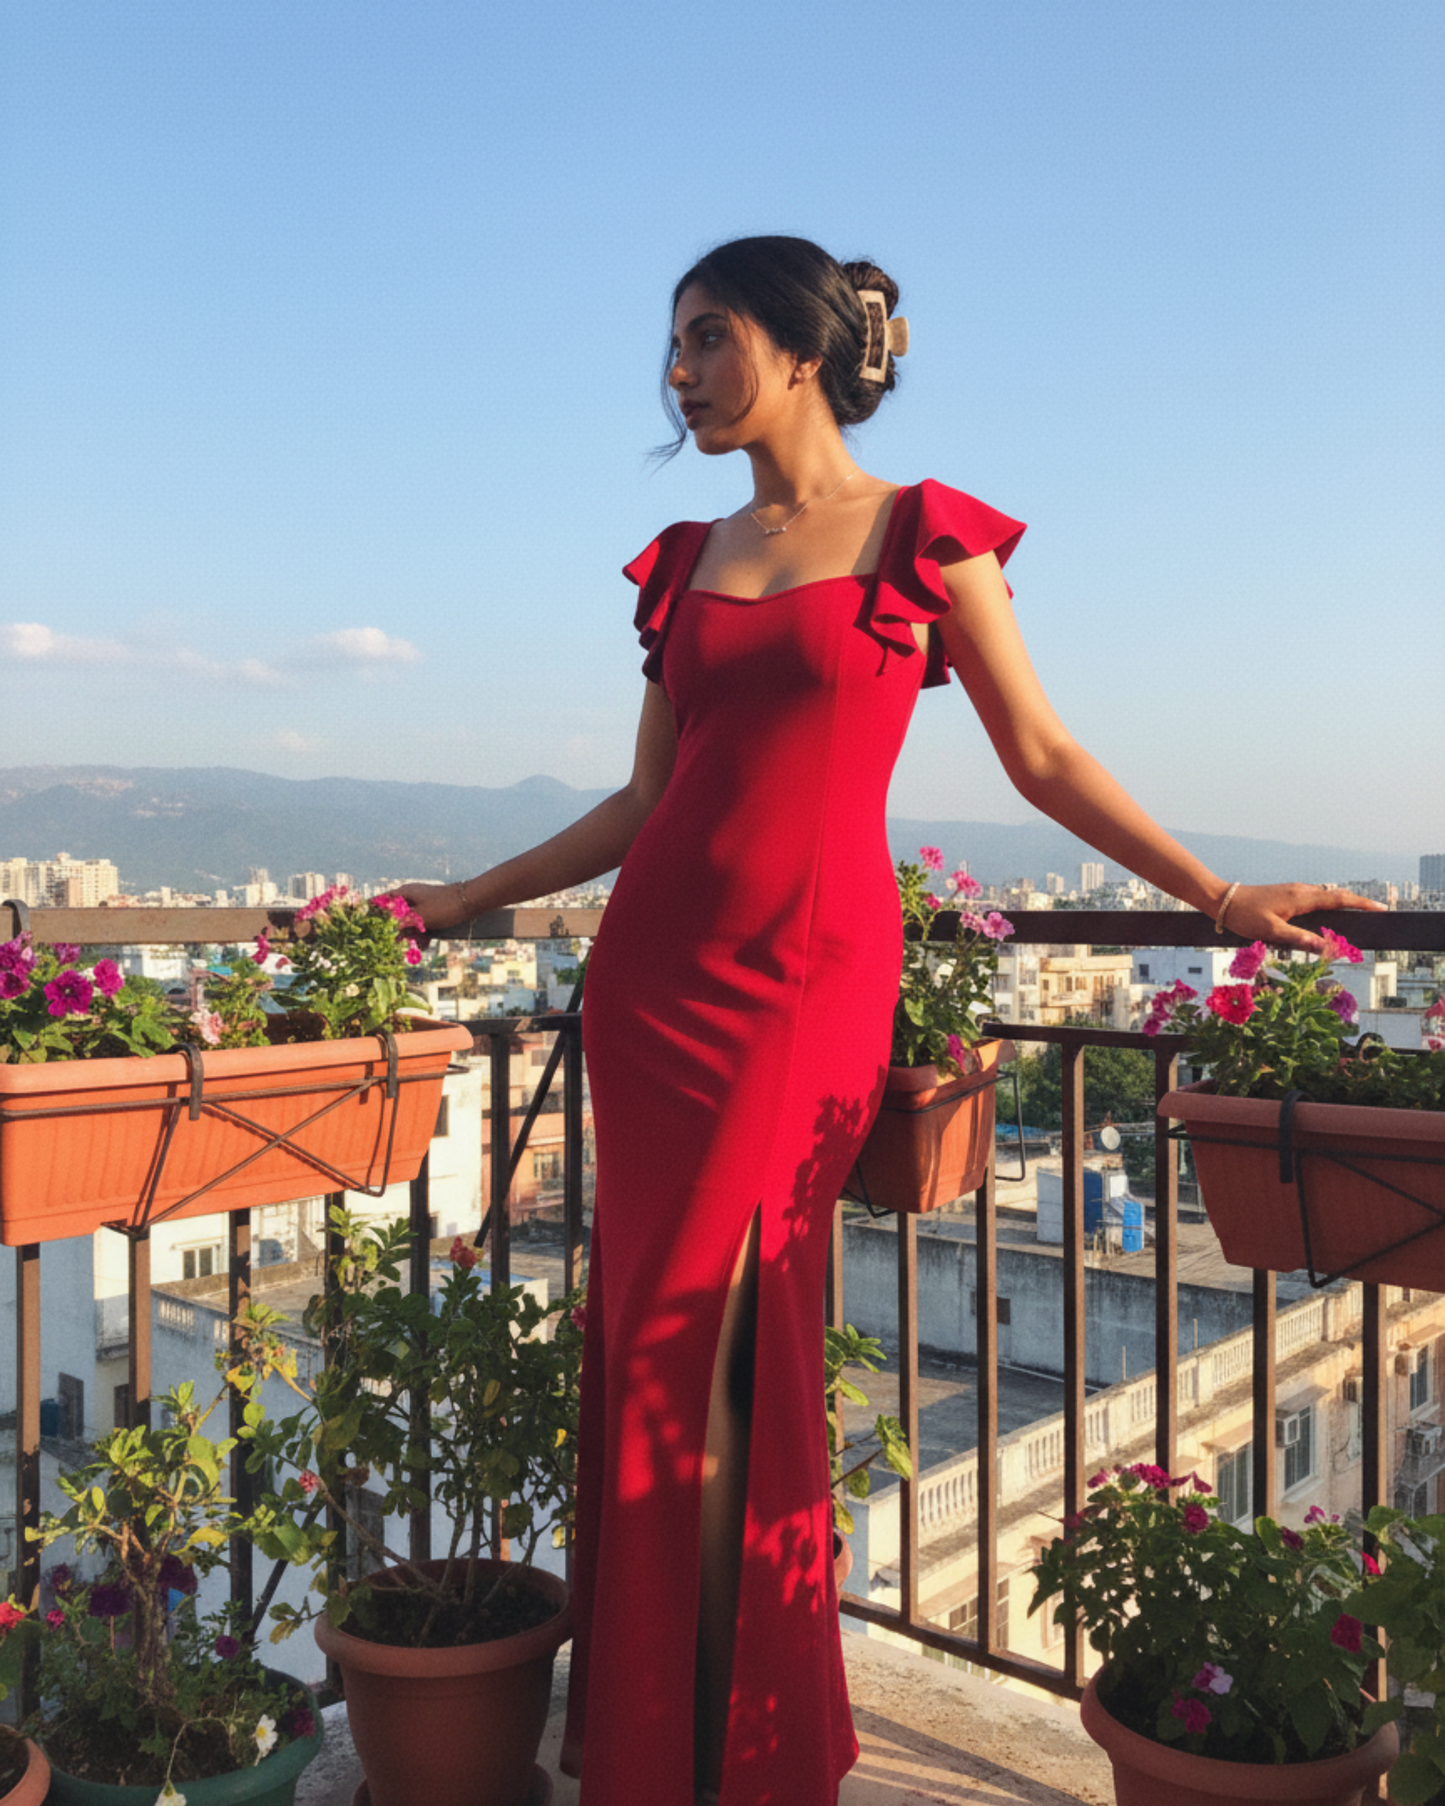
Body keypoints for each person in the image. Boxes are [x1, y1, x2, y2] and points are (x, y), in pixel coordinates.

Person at [402, 235, 1381, 1806]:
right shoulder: (687, 555)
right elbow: (646, 801)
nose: (678, 373)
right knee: (654, 1355)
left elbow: (1043, 757)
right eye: (670, 345)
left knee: (723, 1353)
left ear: (798, 347)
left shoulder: (924, 540)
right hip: (654, 991)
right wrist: (465, 897)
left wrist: (1211, 894)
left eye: (706, 338)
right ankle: (666, 1745)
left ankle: (754, 1751)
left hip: (802, 991)